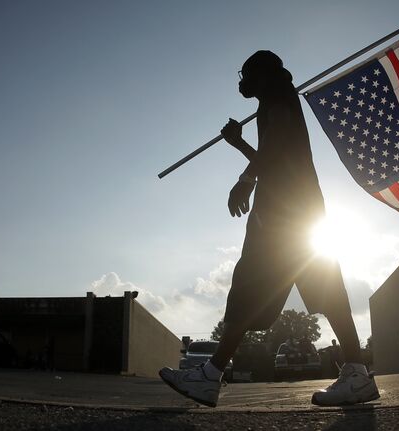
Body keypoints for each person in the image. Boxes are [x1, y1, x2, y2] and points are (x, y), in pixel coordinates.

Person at [159, 50, 379, 407]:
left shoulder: (276, 98)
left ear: (261, 75)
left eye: (245, 74)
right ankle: (355, 373)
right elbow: (275, 155)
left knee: (263, 289)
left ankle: (211, 375)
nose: (241, 81)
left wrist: (245, 176)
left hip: (284, 215)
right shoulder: (276, 102)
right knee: (292, 290)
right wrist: (241, 147)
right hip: (295, 211)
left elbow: (274, 152)